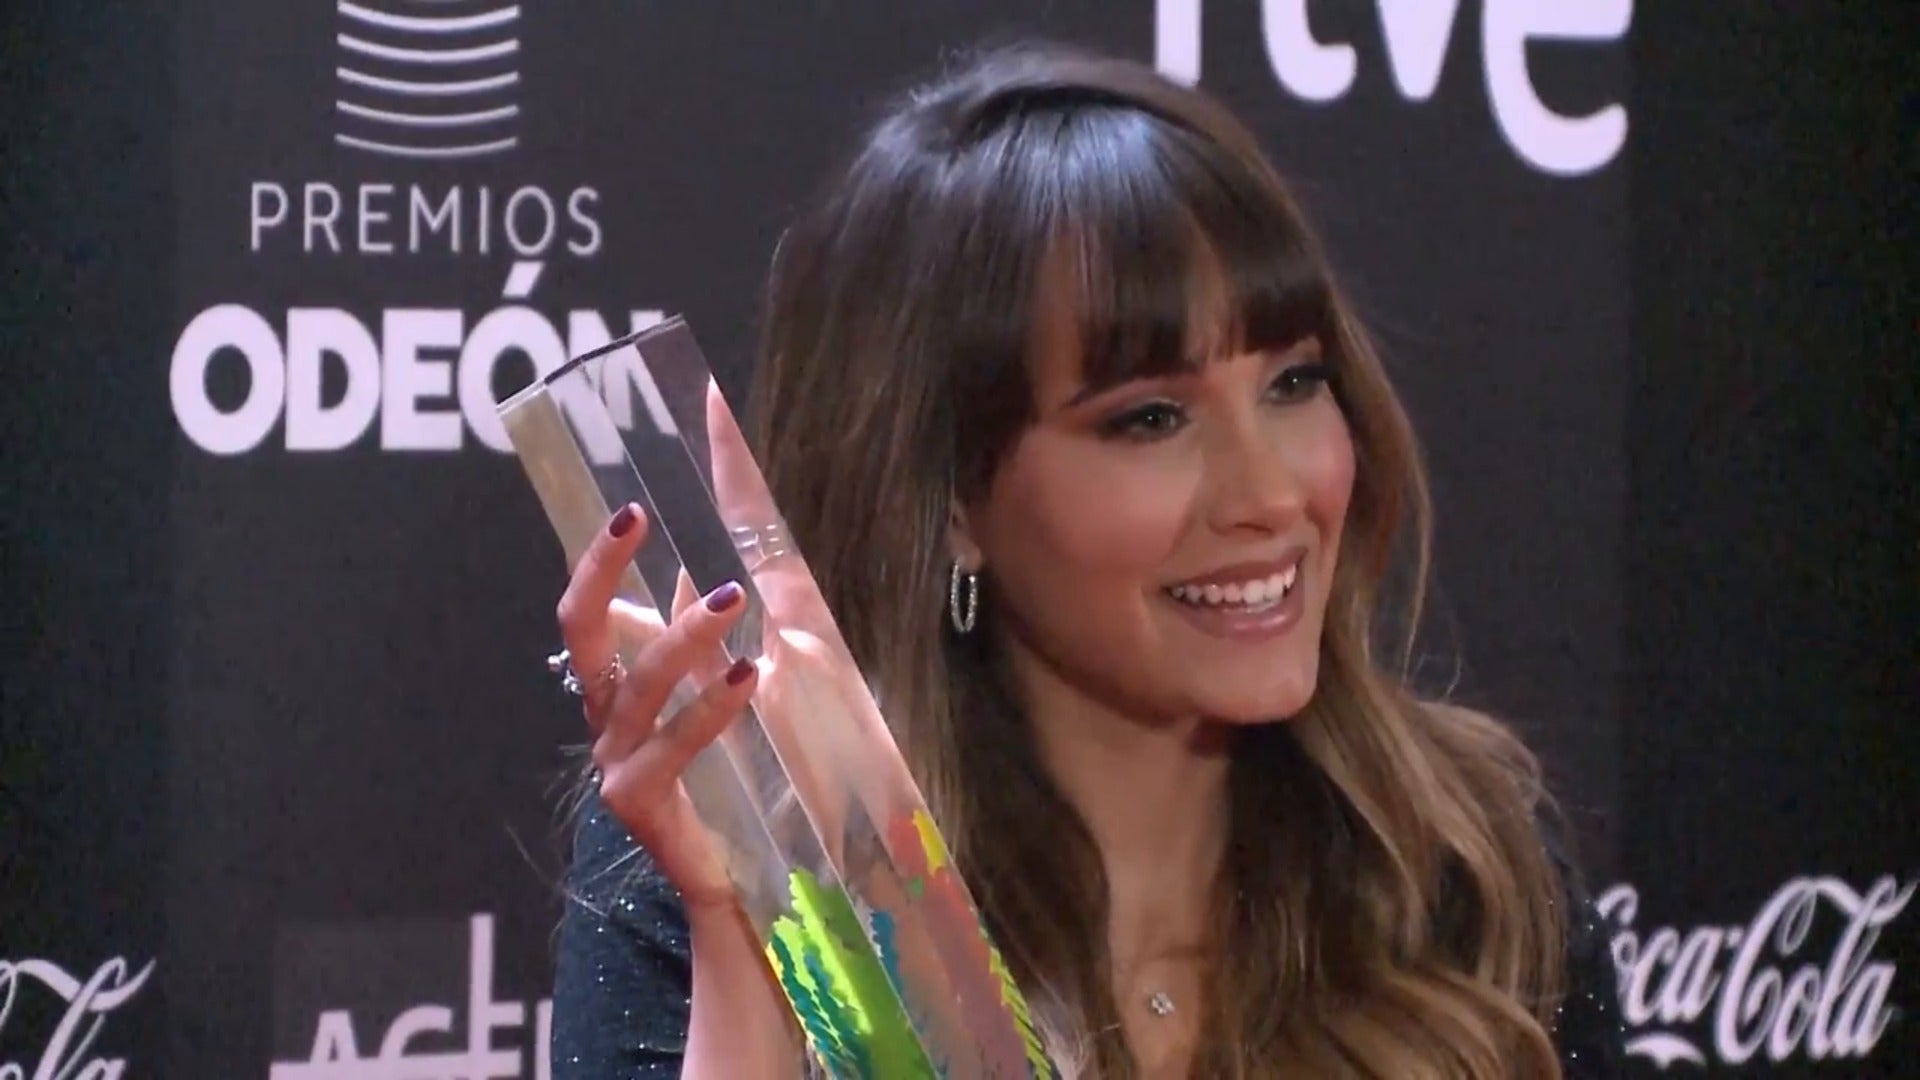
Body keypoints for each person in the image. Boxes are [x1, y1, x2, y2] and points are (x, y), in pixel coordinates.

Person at [547, 42, 1624, 1079]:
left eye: (1293, 383)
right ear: (952, 502)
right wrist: (765, 922)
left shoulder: (1463, 864)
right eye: (1152, 418)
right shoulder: (720, 860)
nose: (1271, 495)